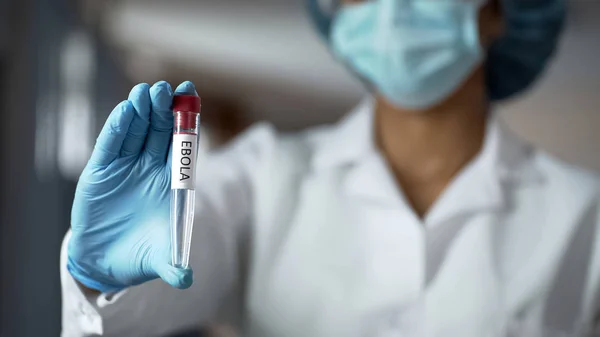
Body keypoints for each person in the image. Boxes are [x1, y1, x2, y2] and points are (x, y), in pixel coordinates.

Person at [60, 0, 600, 336]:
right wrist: (100, 283)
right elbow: (152, 298)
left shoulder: (586, 217)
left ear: (499, 12)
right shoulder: (261, 175)